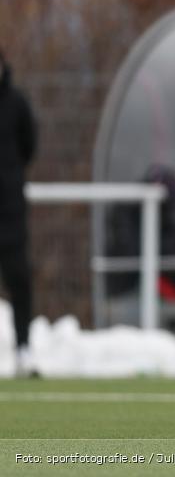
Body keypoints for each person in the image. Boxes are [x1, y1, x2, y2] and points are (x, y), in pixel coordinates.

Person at [0, 47, 37, 378]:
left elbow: (29, 146)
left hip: (10, 211)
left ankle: (24, 348)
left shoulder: (17, 104)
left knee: (19, 280)